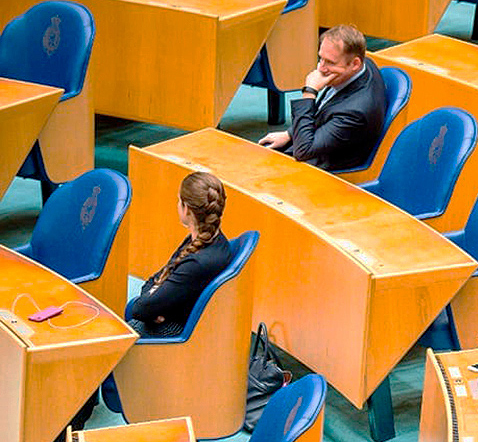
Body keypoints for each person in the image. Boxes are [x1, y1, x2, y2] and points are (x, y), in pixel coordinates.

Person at [258, 24, 387, 172]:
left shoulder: (356, 112)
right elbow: (323, 111)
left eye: (331, 62)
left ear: (355, 64)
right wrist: (289, 133)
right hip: (317, 140)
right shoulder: (363, 65)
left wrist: (309, 92)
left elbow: (304, 152)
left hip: (325, 168)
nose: (321, 68)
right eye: (321, 58)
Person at [124, 171, 230, 337]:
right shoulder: (212, 241)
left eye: (179, 201)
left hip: (173, 332)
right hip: (171, 314)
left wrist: (152, 301)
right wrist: (151, 299)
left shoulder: (198, 263)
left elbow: (141, 309)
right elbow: (152, 281)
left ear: (186, 208)